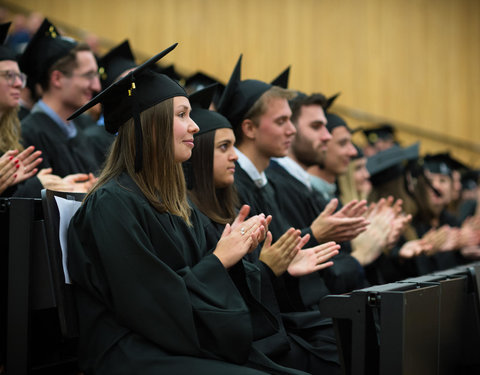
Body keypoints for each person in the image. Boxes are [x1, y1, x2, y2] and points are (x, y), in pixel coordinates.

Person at [66, 44, 311, 375]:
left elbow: (198, 285)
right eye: (182, 115)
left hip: (172, 342)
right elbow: (151, 306)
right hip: (129, 351)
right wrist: (220, 259)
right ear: (150, 126)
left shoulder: (177, 203)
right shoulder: (112, 204)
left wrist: (248, 263)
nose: (195, 126)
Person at [188, 85, 341, 374]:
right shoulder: (191, 215)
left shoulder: (233, 204)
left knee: (346, 337)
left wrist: (278, 269)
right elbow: (206, 298)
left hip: (258, 329)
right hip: (232, 340)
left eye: (233, 146)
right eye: (224, 147)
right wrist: (268, 268)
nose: (234, 156)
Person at [0, 21, 93, 196]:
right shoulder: (29, 131)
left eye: (19, 76)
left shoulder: (10, 138)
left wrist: (64, 186)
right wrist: (37, 187)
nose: (19, 84)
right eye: (9, 76)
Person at [19, 18, 101, 181]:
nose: (97, 86)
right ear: (57, 78)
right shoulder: (28, 136)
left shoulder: (79, 131)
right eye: (88, 76)